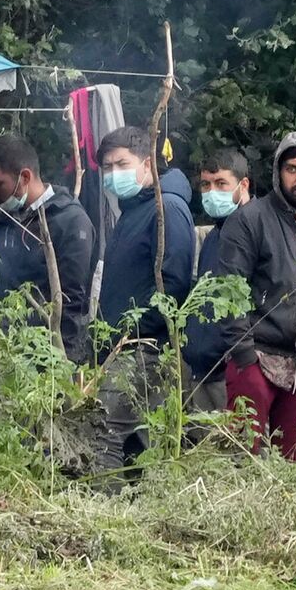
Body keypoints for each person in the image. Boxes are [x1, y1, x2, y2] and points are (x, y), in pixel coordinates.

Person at [211, 133, 296, 462]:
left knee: (294, 468)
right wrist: (245, 358)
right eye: (292, 168)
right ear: (279, 172)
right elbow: (229, 291)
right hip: (258, 359)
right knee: (239, 462)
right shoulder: (250, 220)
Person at [92, 124, 196, 475]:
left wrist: (134, 333)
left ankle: (104, 513)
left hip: (144, 346)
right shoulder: (132, 211)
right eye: (106, 167)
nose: (112, 174)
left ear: (148, 163)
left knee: (100, 432)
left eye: (121, 163)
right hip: (120, 345)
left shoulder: (167, 209)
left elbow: (173, 284)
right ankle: (132, 512)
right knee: (133, 441)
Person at [0, 134, 96, 358]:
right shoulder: (3, 218)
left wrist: (61, 362)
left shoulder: (70, 222)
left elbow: (71, 302)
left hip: (46, 353)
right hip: (3, 347)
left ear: (25, 176)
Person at [181, 148, 251, 415]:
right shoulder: (213, 236)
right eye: (206, 185)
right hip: (201, 370)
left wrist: (239, 359)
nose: (212, 192)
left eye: (221, 183)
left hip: (230, 371)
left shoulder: (254, 231)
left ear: (243, 184)